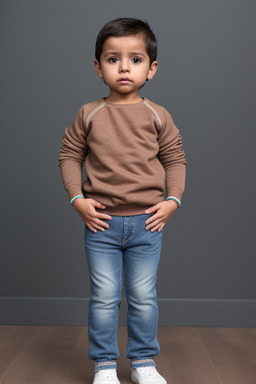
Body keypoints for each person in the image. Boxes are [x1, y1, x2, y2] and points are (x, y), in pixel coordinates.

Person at [58, 17, 187, 384]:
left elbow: (175, 159)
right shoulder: (89, 113)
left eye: (135, 59)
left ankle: (144, 363)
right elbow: (69, 156)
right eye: (113, 59)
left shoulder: (157, 115)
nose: (125, 67)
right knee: (104, 296)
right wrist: (77, 198)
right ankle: (104, 366)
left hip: (148, 222)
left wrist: (173, 200)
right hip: (101, 223)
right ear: (99, 68)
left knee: (144, 296)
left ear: (152, 68)